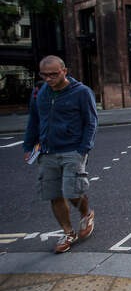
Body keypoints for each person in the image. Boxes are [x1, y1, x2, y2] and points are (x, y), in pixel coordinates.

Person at [23, 55, 98, 254]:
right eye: (44, 75)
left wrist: (83, 149)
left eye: (53, 74)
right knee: (53, 194)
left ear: (64, 71)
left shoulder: (81, 92)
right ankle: (68, 232)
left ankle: (86, 213)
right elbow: (34, 120)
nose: (49, 79)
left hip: (72, 149)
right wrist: (29, 146)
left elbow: (91, 122)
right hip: (47, 151)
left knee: (72, 191)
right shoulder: (40, 92)